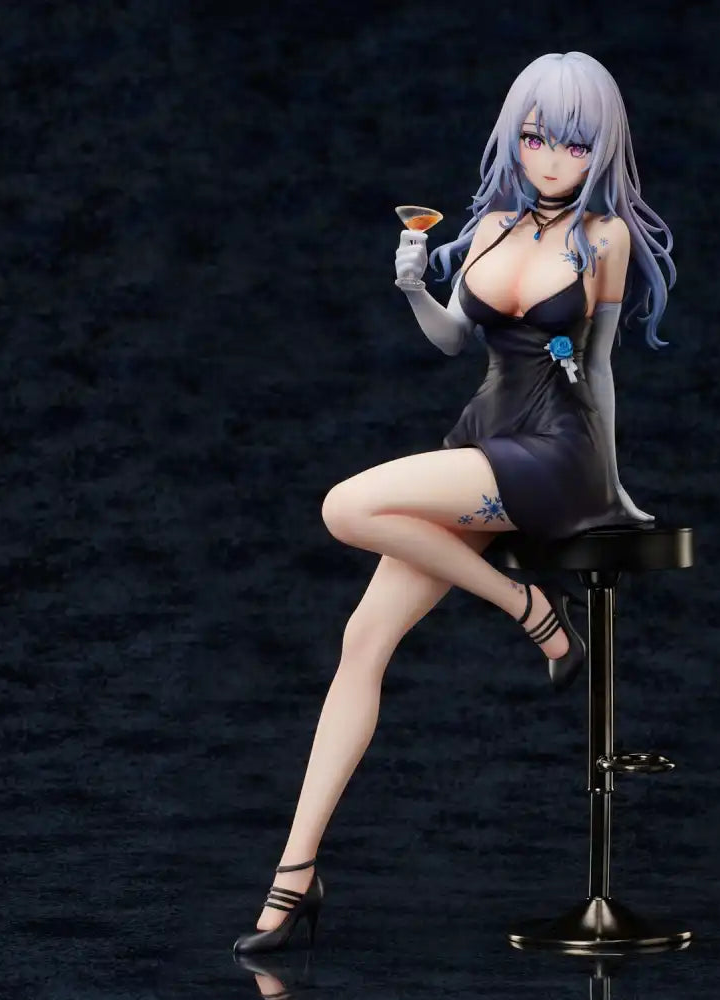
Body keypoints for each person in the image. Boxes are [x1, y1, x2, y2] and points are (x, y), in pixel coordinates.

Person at [232, 50, 675, 956]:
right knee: (362, 639)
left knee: (345, 507)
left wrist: (614, 487)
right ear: (516, 137)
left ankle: (531, 611)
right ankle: (296, 873)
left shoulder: (603, 239)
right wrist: (412, 287)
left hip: (555, 451)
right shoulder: (493, 227)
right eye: (536, 137)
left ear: (602, 148)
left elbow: (597, 371)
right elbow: (450, 339)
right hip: (481, 437)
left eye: (574, 143)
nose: (551, 158)